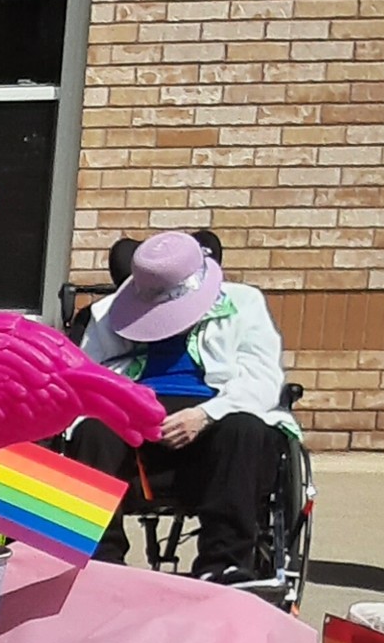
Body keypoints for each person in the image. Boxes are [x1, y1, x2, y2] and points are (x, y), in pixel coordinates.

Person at [65, 230, 295, 593]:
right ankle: (101, 561)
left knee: (244, 429)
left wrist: (206, 415)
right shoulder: (108, 314)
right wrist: (122, 408)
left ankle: (224, 565)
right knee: (92, 430)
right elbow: (85, 380)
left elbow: (263, 381)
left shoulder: (244, 303)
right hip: (136, 431)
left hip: (216, 421)